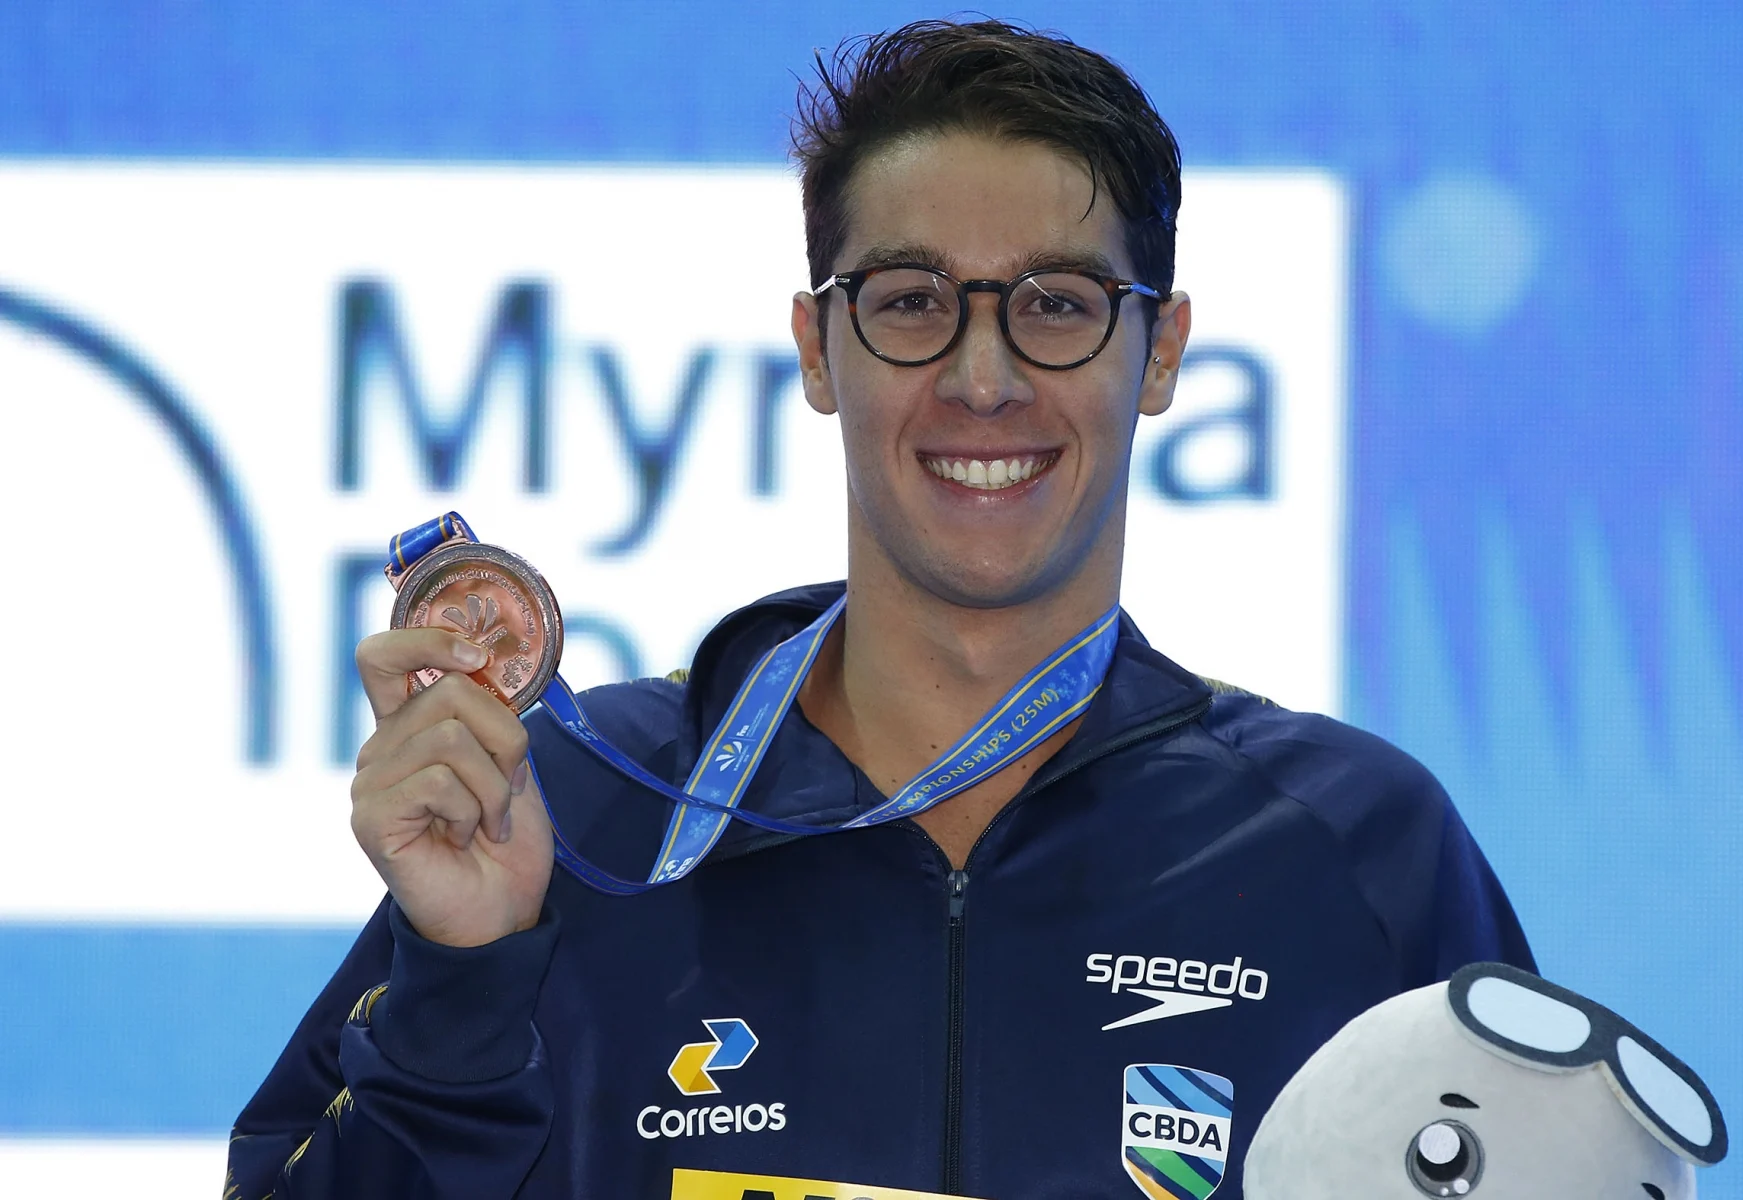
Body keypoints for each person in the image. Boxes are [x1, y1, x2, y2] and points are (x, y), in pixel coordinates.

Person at [227, 20, 1533, 1200]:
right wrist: (461, 987)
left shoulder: (1359, 852)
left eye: (1058, 306)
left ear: (1164, 350)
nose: (981, 376)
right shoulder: (572, 817)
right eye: (910, 302)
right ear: (815, 348)